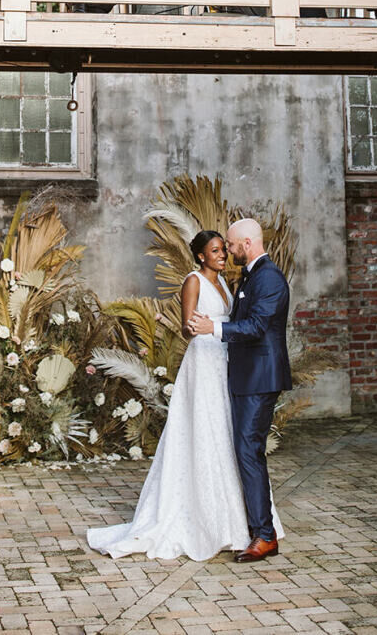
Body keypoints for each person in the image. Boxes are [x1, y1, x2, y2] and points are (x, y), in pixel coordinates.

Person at [87, 230, 284, 561]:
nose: (222, 255)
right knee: (206, 432)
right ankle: (206, 519)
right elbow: (185, 328)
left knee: (228, 437)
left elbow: (243, 322)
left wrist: (216, 327)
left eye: (225, 249)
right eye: (216, 250)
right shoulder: (193, 281)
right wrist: (198, 327)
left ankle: (236, 520)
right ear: (200, 256)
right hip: (205, 361)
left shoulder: (228, 284)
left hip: (227, 361)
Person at [189, 217, 291, 562]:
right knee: (247, 451)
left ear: (246, 244)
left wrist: (213, 327)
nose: (229, 251)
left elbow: (258, 326)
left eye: (231, 245)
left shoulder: (269, 278)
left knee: (249, 451)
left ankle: (264, 535)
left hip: (260, 379)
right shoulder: (251, 276)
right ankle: (259, 529)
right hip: (246, 377)